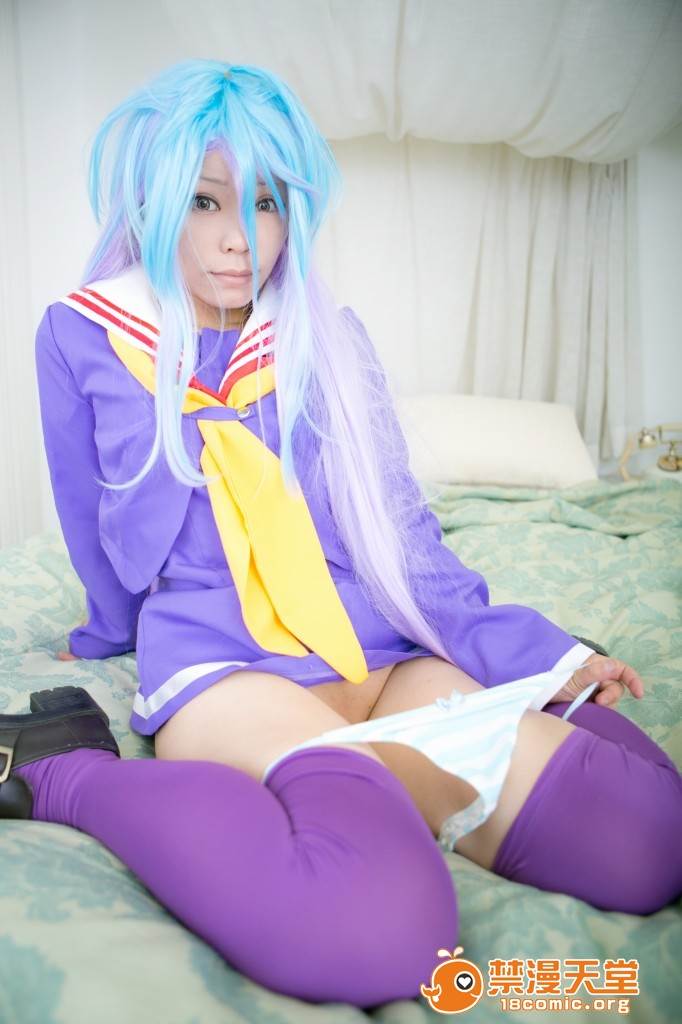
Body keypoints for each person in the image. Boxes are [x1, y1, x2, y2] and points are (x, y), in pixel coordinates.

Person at [1, 59, 681, 1009]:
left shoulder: (324, 337)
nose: (240, 239)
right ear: (152, 202)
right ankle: (66, 773)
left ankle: (390, 773)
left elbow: (401, 534)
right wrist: (108, 633)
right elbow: (87, 515)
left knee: (646, 838)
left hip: (381, 652)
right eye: (204, 201)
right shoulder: (84, 334)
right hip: (229, 664)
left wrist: (537, 656)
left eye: (268, 203)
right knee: (376, 931)